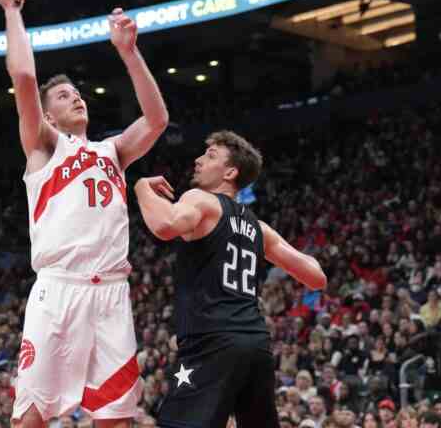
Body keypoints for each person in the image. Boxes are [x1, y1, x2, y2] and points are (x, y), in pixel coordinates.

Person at [0, 0, 169, 428]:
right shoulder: (45, 146)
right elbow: (25, 79)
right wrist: (11, 11)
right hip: (59, 290)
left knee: (117, 419)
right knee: (30, 419)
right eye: (64, 96)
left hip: (111, 294)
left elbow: (156, 120)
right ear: (47, 116)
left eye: (77, 93)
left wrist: (130, 54)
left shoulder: (113, 151)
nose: (76, 98)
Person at [134, 131, 327, 428]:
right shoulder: (258, 228)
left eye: (210, 156)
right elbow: (316, 278)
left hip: (212, 342)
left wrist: (141, 188)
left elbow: (165, 224)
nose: (198, 160)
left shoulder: (201, 200)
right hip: (255, 345)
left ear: (230, 172)